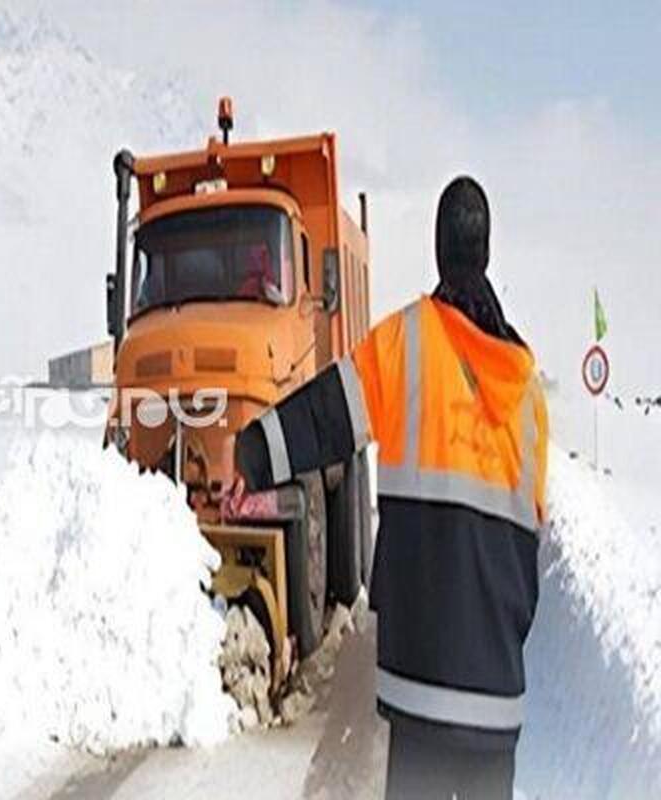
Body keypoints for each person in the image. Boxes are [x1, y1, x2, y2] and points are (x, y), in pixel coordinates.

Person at [233, 176, 548, 799]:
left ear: (438, 250)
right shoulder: (529, 393)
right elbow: (529, 540)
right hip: (498, 701)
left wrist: (251, 453)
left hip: (423, 688)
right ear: (485, 253)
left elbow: (325, 417)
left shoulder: (408, 343)